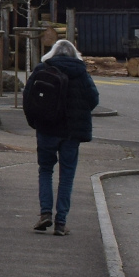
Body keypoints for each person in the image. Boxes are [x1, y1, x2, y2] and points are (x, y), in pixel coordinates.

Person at [25, 38, 99, 237]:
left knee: (45, 171)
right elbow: (93, 99)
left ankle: (45, 214)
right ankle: (61, 222)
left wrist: (36, 122)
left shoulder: (43, 69)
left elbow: (28, 97)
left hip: (47, 129)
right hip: (71, 133)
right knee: (67, 175)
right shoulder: (81, 72)